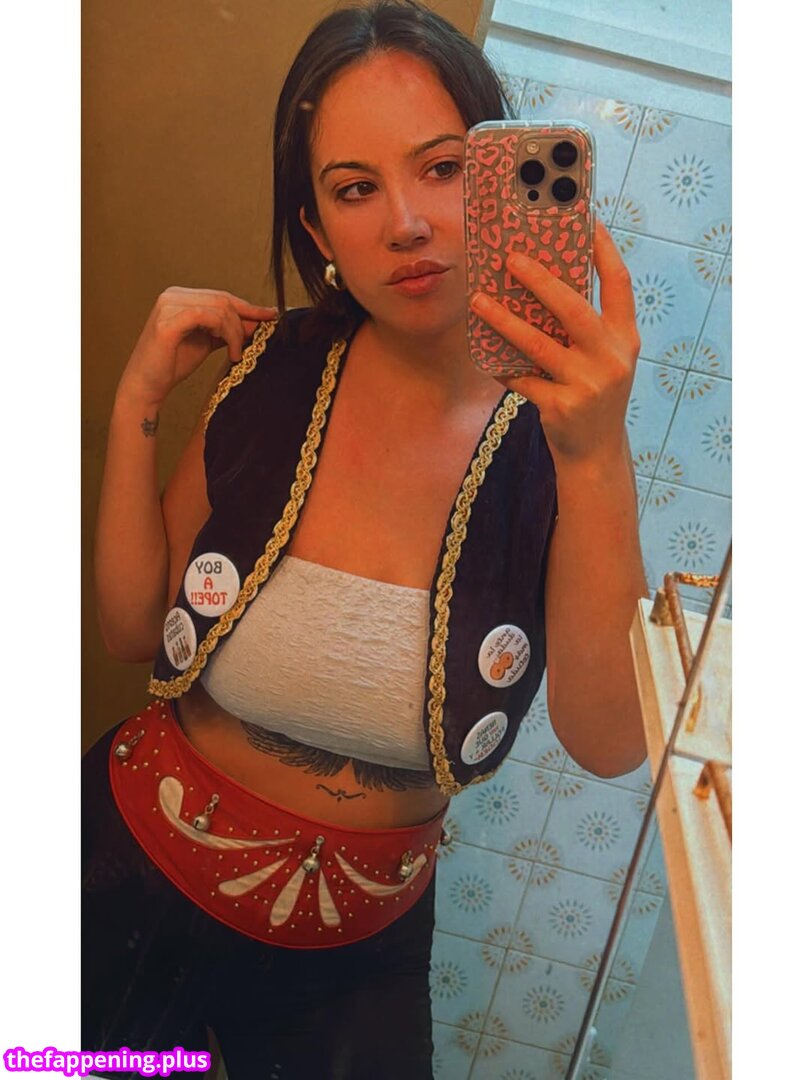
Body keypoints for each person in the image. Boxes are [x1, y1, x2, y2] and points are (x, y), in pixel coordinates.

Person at [84, 1, 648, 1077]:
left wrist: (591, 455)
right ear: (316, 232)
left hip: (355, 952)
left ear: (499, 181)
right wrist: (136, 403)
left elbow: (609, 740)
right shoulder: (273, 370)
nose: (405, 223)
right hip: (118, 877)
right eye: (354, 189)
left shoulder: (564, 428)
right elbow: (130, 628)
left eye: (442, 169)